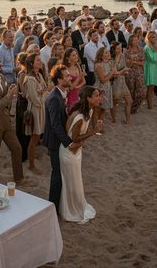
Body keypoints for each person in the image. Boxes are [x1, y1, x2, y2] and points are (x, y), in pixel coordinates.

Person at [59, 86, 103, 224]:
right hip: (69, 154)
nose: (99, 97)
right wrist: (94, 131)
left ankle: (75, 206)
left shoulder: (88, 111)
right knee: (71, 183)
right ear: (88, 98)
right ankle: (70, 211)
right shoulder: (79, 117)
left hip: (76, 151)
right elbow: (75, 138)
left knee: (75, 181)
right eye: (96, 95)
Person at [42, 65, 74, 212]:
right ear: (59, 80)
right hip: (55, 142)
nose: (70, 77)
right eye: (67, 76)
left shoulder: (60, 93)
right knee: (57, 175)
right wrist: (68, 142)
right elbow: (55, 124)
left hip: (58, 139)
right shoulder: (54, 98)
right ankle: (52, 207)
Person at [23, 53, 48, 175]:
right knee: (34, 138)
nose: (40, 62)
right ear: (32, 64)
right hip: (35, 110)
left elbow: (45, 88)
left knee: (37, 137)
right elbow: (36, 99)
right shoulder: (30, 79)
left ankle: (33, 161)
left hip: (41, 108)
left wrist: (42, 92)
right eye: (38, 60)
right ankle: (31, 165)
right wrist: (43, 93)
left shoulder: (38, 75)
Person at [94, 47, 118, 122]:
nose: (109, 54)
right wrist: (112, 72)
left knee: (103, 108)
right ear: (101, 55)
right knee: (97, 109)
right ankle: (96, 126)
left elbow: (112, 75)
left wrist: (115, 72)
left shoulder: (108, 63)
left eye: (108, 52)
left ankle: (100, 123)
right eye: (106, 52)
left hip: (107, 88)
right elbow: (103, 80)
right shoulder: (98, 65)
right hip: (100, 89)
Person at [111, 42, 132, 124]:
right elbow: (115, 74)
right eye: (118, 49)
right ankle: (113, 119)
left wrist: (129, 64)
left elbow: (125, 67)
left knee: (129, 101)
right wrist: (123, 71)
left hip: (123, 81)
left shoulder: (123, 56)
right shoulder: (111, 60)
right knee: (115, 102)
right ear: (114, 50)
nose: (120, 50)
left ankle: (128, 120)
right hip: (115, 83)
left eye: (120, 48)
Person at [125, 32, 146, 113]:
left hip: (139, 73)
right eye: (135, 40)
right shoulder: (127, 52)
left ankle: (135, 106)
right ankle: (131, 108)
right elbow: (127, 64)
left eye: (137, 40)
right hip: (130, 74)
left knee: (142, 92)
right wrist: (134, 62)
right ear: (131, 41)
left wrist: (133, 62)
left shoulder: (141, 50)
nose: (137, 41)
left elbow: (143, 63)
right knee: (131, 92)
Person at [63, 48, 86, 112]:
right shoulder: (66, 70)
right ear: (68, 58)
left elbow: (84, 81)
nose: (76, 56)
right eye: (73, 55)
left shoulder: (77, 66)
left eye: (76, 54)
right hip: (70, 95)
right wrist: (79, 77)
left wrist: (77, 87)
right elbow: (70, 87)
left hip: (79, 93)